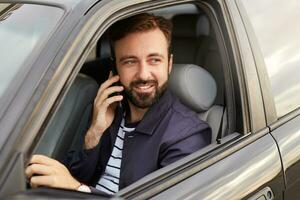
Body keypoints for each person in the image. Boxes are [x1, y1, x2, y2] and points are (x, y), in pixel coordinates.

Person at [25, 13, 211, 194]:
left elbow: (71, 183)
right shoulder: (108, 110)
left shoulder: (189, 136)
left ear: (169, 64)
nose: (144, 74)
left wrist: (77, 189)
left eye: (154, 60)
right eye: (130, 62)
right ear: (115, 69)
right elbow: (72, 176)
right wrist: (94, 134)